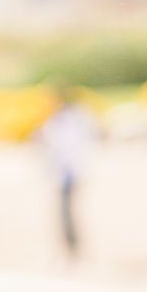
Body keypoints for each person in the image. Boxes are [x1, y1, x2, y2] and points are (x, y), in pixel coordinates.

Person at [35, 88, 94, 260]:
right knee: (64, 213)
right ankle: (69, 246)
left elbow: (72, 148)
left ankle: (72, 246)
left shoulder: (70, 121)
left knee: (66, 213)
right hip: (63, 172)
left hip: (70, 172)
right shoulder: (55, 122)